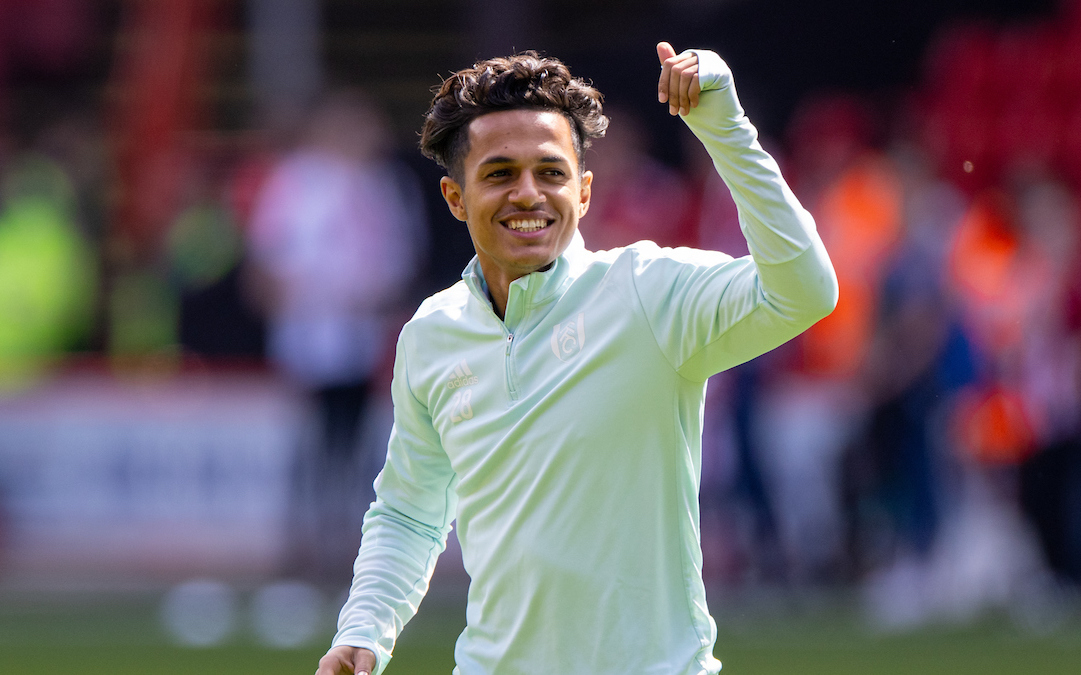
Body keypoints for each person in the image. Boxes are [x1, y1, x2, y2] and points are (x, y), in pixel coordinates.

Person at [316, 42, 837, 675]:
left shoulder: (648, 291)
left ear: (584, 190)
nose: (528, 194)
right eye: (500, 173)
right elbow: (408, 509)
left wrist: (722, 121)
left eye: (552, 172)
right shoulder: (432, 333)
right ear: (456, 197)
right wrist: (365, 627)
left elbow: (806, 290)